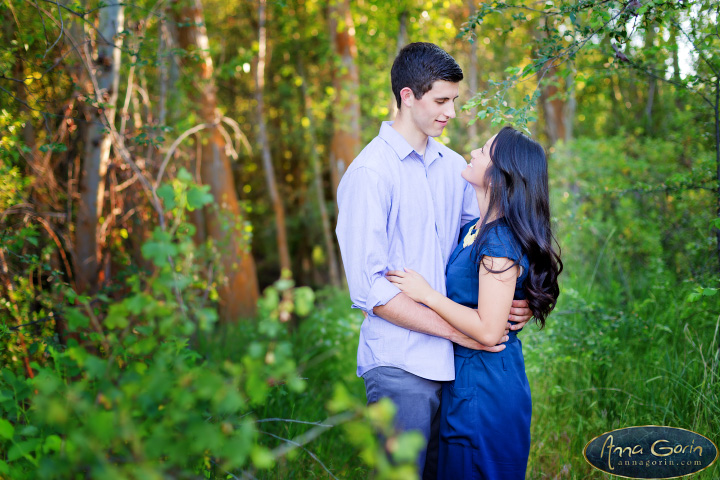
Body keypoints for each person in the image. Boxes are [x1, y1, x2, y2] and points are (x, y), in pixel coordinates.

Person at [335, 42, 533, 479]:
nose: (452, 113)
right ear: (408, 95)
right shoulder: (370, 174)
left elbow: (490, 241)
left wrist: (522, 300)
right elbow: (371, 290)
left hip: (459, 372)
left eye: (454, 101)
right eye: (441, 100)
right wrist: (470, 333)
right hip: (401, 364)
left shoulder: (453, 166)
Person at [386, 126, 563, 479]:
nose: (473, 153)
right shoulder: (477, 229)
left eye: (484, 151)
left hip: (486, 385)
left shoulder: (497, 242)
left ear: (500, 175)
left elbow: (488, 330)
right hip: (466, 379)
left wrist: (427, 295)